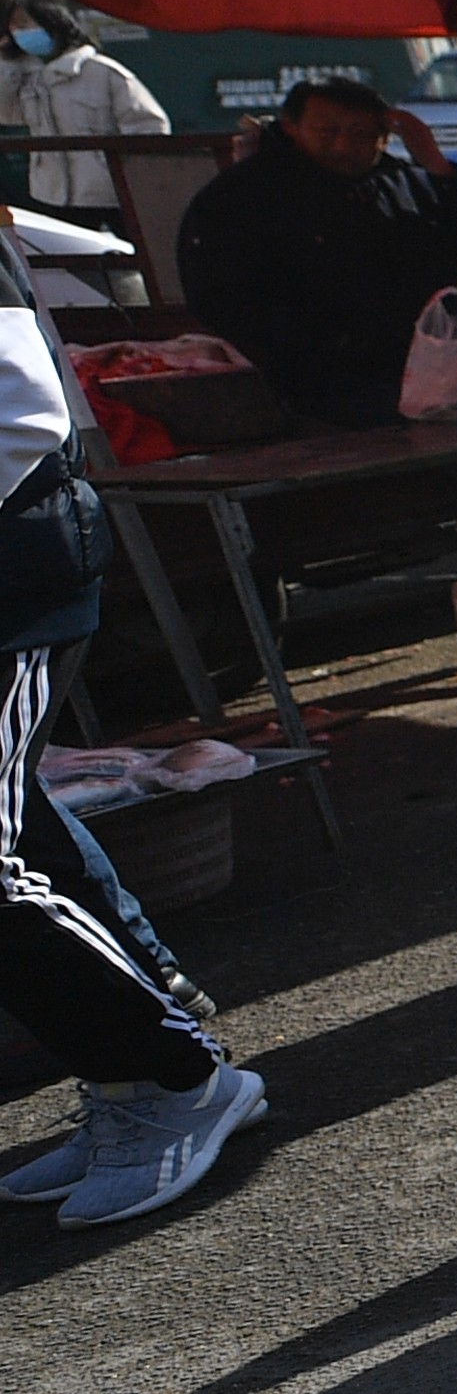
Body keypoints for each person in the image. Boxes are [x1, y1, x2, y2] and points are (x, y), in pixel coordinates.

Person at [0, 287, 260, 1226]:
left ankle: (176, 1077)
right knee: (17, 822)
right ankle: (128, 1081)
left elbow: (22, 401)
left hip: (12, 547)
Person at [171, 77, 457, 429]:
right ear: (292, 127)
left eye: (359, 134)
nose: (343, 145)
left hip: (430, 368)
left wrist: (437, 165)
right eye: (327, 131)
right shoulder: (243, 195)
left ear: (384, 136)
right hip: (317, 388)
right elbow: (220, 297)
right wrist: (321, 351)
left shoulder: (405, 183)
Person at [6, 2, 168, 231]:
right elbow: (8, 114)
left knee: (131, 256)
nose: (19, 33)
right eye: (14, 28)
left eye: (24, 25)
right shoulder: (32, 79)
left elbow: (148, 126)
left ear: (51, 24)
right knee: (65, 262)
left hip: (110, 195)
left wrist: (131, 177)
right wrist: (8, 63)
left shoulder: (103, 73)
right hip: (52, 195)